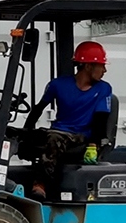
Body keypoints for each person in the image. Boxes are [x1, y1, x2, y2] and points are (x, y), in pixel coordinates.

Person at [22, 41, 114, 200]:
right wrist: (25, 132)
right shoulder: (57, 84)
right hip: (58, 130)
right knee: (19, 134)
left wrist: (93, 145)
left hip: (80, 135)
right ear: (87, 66)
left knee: (54, 138)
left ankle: (40, 184)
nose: (104, 70)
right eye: (101, 66)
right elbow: (39, 108)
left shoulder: (103, 89)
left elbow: (101, 119)